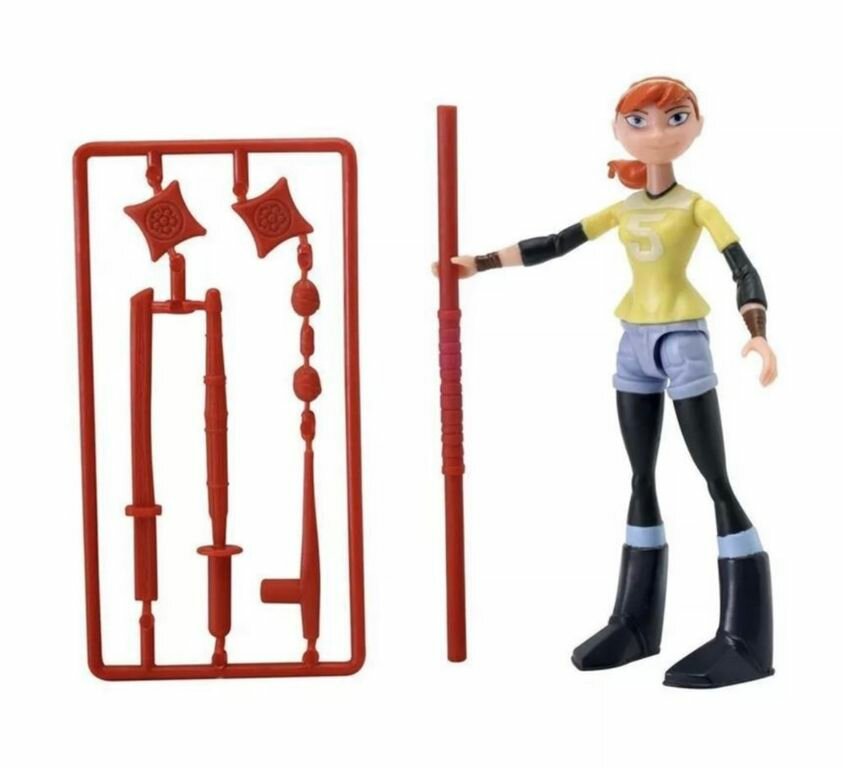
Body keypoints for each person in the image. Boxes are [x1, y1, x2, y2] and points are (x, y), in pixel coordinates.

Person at [440, 76, 777, 688]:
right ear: (620, 130)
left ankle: (745, 638)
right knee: (640, 476)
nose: (657, 132)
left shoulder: (697, 206)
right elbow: (557, 243)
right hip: (633, 343)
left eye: (675, 118)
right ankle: (636, 621)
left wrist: (756, 329)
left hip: (683, 339)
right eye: (639, 121)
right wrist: (481, 263)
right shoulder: (624, 209)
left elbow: (742, 267)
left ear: (696, 126)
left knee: (715, 479)